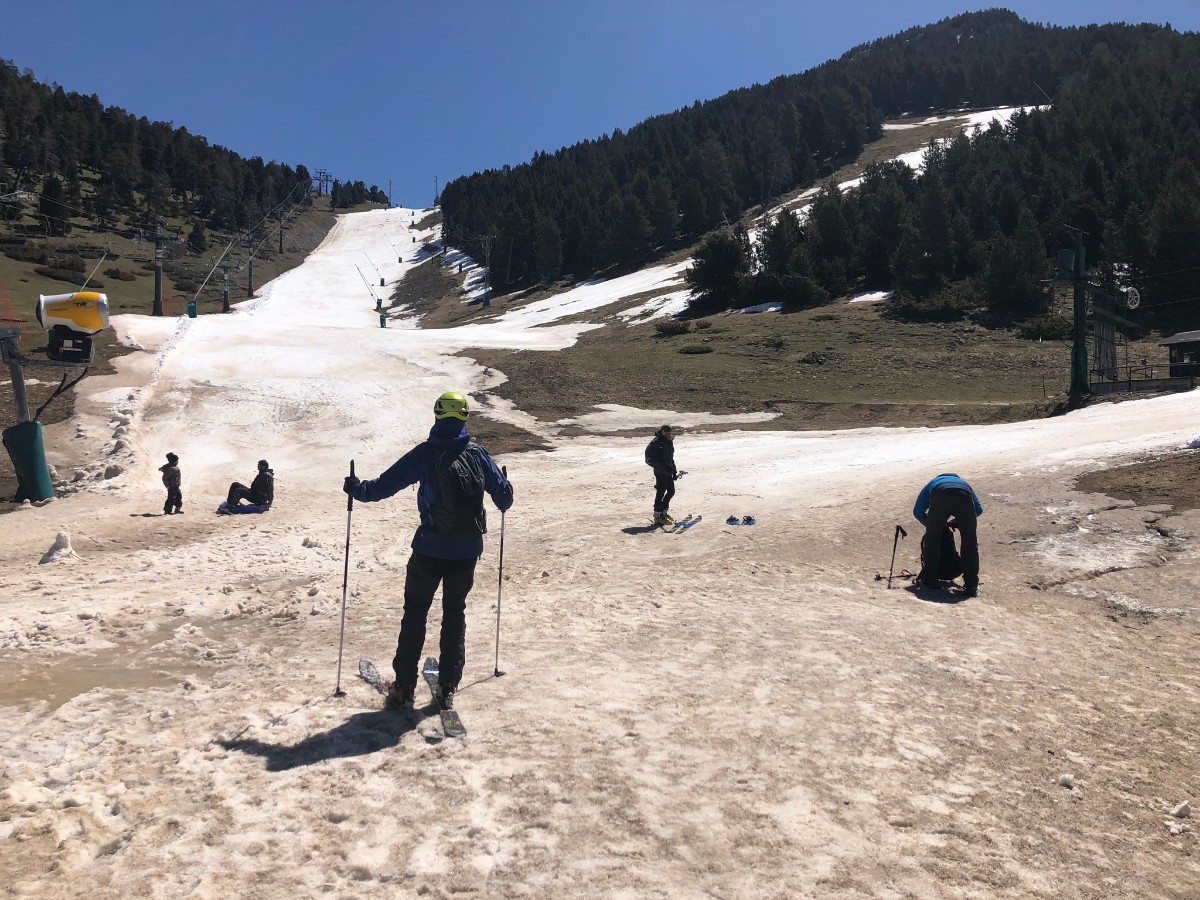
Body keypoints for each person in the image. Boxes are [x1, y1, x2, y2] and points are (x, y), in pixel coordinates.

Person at [344, 391, 513, 712]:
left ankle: (404, 687)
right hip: (467, 552)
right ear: (465, 418)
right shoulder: (478, 454)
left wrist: (356, 488)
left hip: (429, 550)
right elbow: (504, 499)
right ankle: (449, 684)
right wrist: (504, 482)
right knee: (454, 613)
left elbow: (382, 487)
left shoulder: (425, 454)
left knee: (415, 614)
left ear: (437, 416)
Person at [913, 473, 983, 597]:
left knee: (932, 541)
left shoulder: (932, 483)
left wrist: (934, 527)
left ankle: (930, 580)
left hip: (940, 494)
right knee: (970, 543)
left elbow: (918, 512)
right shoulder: (964, 483)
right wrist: (958, 521)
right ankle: (971, 584)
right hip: (964, 495)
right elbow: (978, 510)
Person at [644, 424, 682, 526]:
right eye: (666, 430)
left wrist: (674, 472)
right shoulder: (656, 441)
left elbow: (671, 459)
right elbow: (648, 458)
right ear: (662, 431)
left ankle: (663, 513)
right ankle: (657, 516)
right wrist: (660, 467)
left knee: (671, 491)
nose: (668, 432)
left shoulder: (669, 442)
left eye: (669, 430)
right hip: (660, 472)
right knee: (660, 493)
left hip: (668, 471)